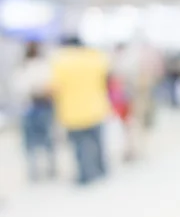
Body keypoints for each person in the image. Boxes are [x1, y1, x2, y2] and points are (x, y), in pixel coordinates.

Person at [51, 37, 110, 185]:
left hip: (73, 112)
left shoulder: (61, 62)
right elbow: (106, 78)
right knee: (98, 143)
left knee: (79, 146)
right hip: (96, 107)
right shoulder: (94, 58)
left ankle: (85, 174)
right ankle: (102, 169)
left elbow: (54, 87)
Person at [13, 42, 55, 181]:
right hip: (37, 108)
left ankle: (37, 171)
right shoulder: (42, 67)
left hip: (34, 108)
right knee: (45, 140)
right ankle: (47, 169)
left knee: (34, 143)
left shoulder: (24, 68)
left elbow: (18, 89)